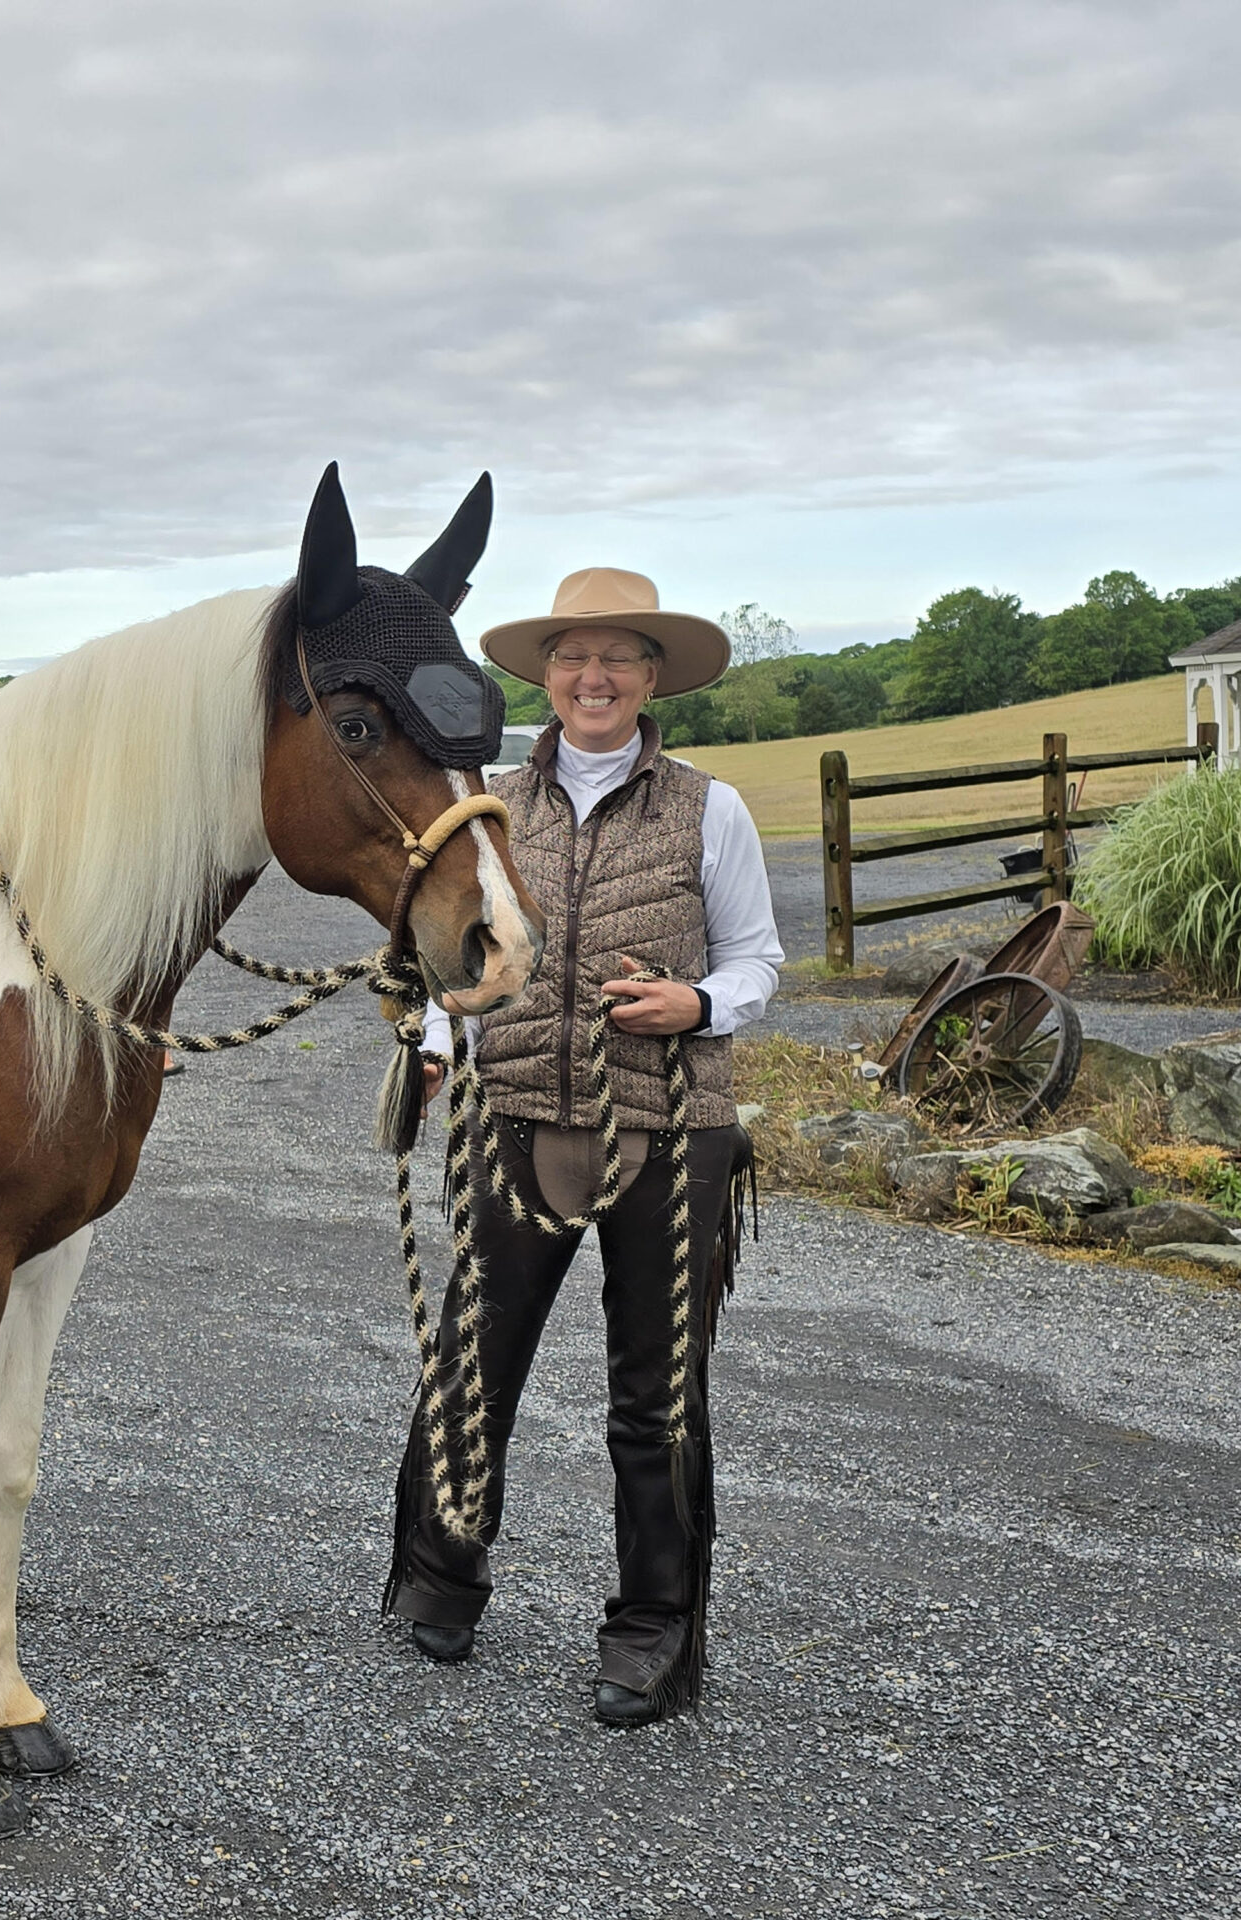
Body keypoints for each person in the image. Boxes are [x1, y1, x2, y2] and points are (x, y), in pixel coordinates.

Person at [395, 566, 783, 1726]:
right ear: (544, 677)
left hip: (667, 1133)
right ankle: (440, 1575)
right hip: (516, 1117)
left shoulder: (709, 809)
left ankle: (652, 1627)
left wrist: (697, 1007)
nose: (593, 677)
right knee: (477, 1359)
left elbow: (756, 959)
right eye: (573, 658)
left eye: (617, 658)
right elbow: (453, 954)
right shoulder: (490, 807)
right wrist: (428, 1037)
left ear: (651, 678)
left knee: (655, 1394)